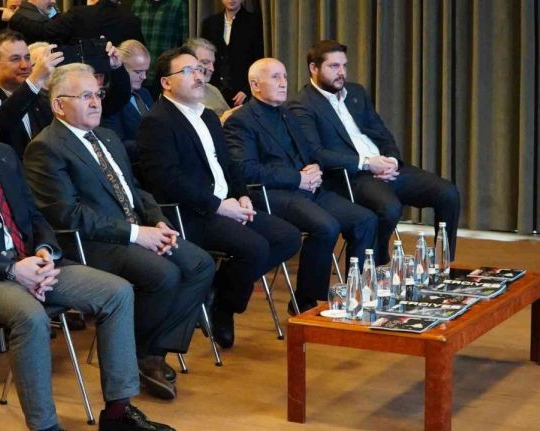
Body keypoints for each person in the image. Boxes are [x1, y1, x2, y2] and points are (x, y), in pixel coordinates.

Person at [0, 72, 175, 431]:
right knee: (30, 315)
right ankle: (44, 426)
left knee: (117, 292)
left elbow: (33, 216)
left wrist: (45, 251)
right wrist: (12, 270)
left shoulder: (3, 155)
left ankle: (118, 414)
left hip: (29, 265)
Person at [24, 63, 214, 400]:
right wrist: (136, 233)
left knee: (201, 265)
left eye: (97, 94)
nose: (95, 102)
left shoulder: (108, 137)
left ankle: (148, 353)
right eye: (85, 96)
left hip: (136, 230)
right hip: (92, 243)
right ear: (58, 105)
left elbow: (135, 190)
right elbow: (69, 214)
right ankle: (141, 356)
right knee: (165, 275)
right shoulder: (46, 148)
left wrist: (157, 221)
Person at [136, 47, 300, 349]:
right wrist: (218, 206)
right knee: (254, 247)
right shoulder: (156, 122)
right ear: (166, 83)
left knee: (287, 237)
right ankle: (225, 308)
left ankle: (218, 294)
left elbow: (229, 164)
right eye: (188, 71)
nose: (199, 76)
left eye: (199, 70)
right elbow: (166, 180)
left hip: (227, 204)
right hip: (191, 212)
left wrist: (242, 195)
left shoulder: (209, 116)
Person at [287, 40, 461, 263]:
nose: (342, 72)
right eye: (334, 66)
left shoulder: (356, 92)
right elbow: (316, 153)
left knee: (448, 193)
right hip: (351, 176)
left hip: (385, 167)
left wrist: (392, 160)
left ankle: (444, 261)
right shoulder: (302, 104)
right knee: (389, 208)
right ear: (314, 68)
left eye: (344, 65)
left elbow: (382, 133)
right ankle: (376, 264)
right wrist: (368, 163)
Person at [224, 58, 377, 311]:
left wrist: (315, 167)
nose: (283, 83)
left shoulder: (288, 114)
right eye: (275, 77)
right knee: (326, 227)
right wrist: (298, 178)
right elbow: (246, 170)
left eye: (285, 76)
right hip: (272, 193)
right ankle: (306, 301)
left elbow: (309, 152)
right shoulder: (241, 120)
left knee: (365, 220)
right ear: (255, 84)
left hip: (308, 188)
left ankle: (355, 293)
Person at [0, 30, 59, 156]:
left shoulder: (40, 99)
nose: (25, 65)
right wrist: (35, 80)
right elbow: (0, 124)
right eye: (15, 59)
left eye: (27, 58)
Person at [201, 0, 263, 107]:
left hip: (242, 92)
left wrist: (247, 90)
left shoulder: (254, 22)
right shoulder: (210, 23)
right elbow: (203, 57)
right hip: (214, 90)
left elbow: (258, 60)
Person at [9, 0, 143, 48]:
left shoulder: (78, 14)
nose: (54, 2)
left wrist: (12, 18)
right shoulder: (133, 20)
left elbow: (43, 31)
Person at [101, 39, 152, 161]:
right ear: (120, 67)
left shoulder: (144, 93)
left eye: (146, 71)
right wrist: (154, 145)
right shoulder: (110, 100)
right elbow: (116, 143)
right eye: (138, 72)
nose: (144, 77)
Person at [131, 0, 187, 90]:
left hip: (164, 73)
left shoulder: (178, 5)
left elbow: (185, 41)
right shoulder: (138, 4)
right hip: (139, 73)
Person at [183, 38, 235, 122]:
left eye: (213, 63)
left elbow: (230, 115)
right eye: (205, 62)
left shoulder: (213, 89)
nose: (212, 69)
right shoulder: (181, 95)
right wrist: (222, 121)